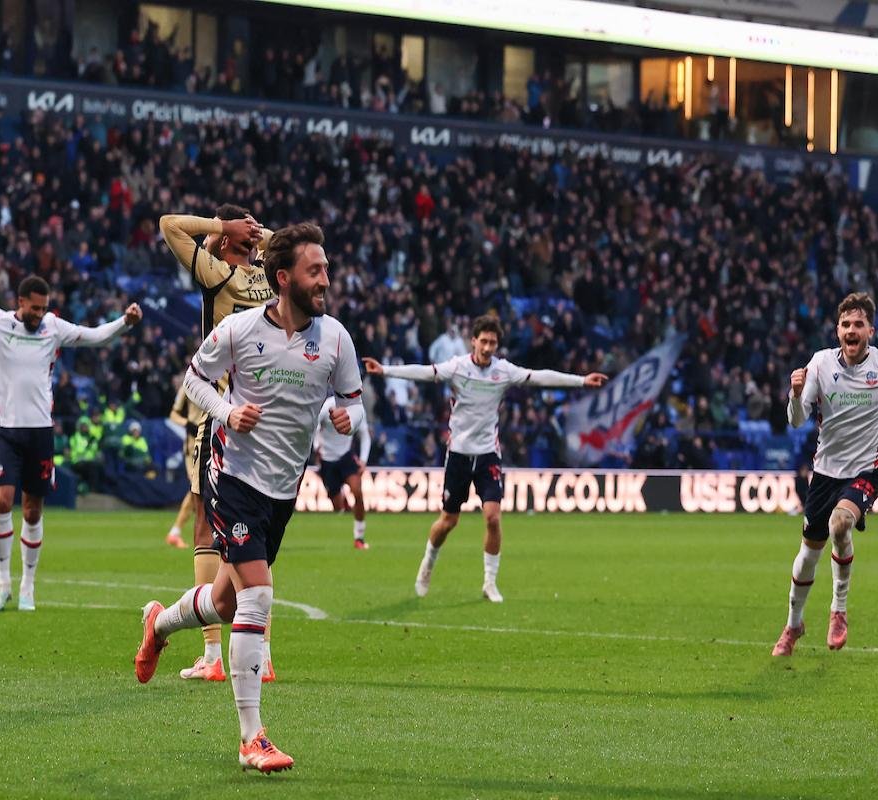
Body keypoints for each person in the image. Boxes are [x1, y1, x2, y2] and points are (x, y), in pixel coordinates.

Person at [134, 222, 364, 773]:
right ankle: (250, 738)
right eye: (316, 270)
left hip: (282, 490)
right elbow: (193, 380)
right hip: (232, 476)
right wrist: (226, 412)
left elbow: (355, 403)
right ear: (284, 278)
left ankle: (159, 624)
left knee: (227, 602)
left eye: (327, 268)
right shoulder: (239, 330)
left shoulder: (335, 338)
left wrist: (345, 419)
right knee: (258, 596)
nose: (326, 279)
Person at [0, 273, 142, 612]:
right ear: (20, 302)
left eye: (44, 308)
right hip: (7, 430)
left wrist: (124, 324)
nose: (39, 313)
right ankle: (2, 582)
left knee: (32, 510)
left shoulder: (53, 328)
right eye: (34, 307)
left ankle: (28, 585)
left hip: (40, 432)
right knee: (2, 502)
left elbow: (94, 337)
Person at [363, 315, 607, 603]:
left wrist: (580, 381)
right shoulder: (457, 368)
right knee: (448, 521)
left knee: (492, 518)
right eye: (485, 341)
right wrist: (385, 370)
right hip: (458, 456)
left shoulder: (503, 372)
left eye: (494, 342)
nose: (489, 347)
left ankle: (490, 583)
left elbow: (540, 376)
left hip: (488, 455)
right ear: (474, 341)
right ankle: (427, 564)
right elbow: (425, 372)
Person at [773, 292, 878, 656]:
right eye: (846, 324)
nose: (851, 329)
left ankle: (838, 610)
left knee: (840, 525)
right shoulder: (819, 365)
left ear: (870, 331)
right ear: (837, 330)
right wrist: (795, 395)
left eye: (858, 324)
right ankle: (793, 624)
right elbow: (796, 421)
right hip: (825, 472)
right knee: (808, 554)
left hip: (867, 468)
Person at [158, 204, 275, 681]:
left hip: (223, 416)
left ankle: (212, 656)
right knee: (259, 536)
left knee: (208, 527)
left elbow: (169, 225)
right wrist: (256, 234)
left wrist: (222, 229)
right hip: (270, 420)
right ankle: (263, 655)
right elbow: (300, 244)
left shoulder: (218, 273)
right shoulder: (273, 277)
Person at [315, 395, 372, 549]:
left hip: (346, 457)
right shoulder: (327, 406)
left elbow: (365, 435)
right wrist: (316, 447)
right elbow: (313, 426)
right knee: (338, 507)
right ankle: (343, 501)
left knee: (358, 492)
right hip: (327, 460)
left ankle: (359, 538)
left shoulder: (356, 409)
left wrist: (364, 460)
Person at [164, 382, 197, 550]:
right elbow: (173, 414)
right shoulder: (190, 383)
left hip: (215, 443)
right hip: (193, 448)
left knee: (200, 491)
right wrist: (188, 424)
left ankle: (175, 532)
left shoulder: (223, 379)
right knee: (196, 490)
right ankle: (175, 532)